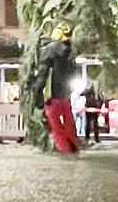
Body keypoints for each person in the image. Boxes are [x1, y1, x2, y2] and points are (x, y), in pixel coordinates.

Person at [26, 23, 80, 154]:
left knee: (55, 125)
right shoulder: (71, 52)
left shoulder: (48, 50)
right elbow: (74, 72)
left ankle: (64, 148)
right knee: (68, 121)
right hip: (65, 95)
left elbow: (43, 73)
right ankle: (73, 145)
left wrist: (37, 90)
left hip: (51, 95)